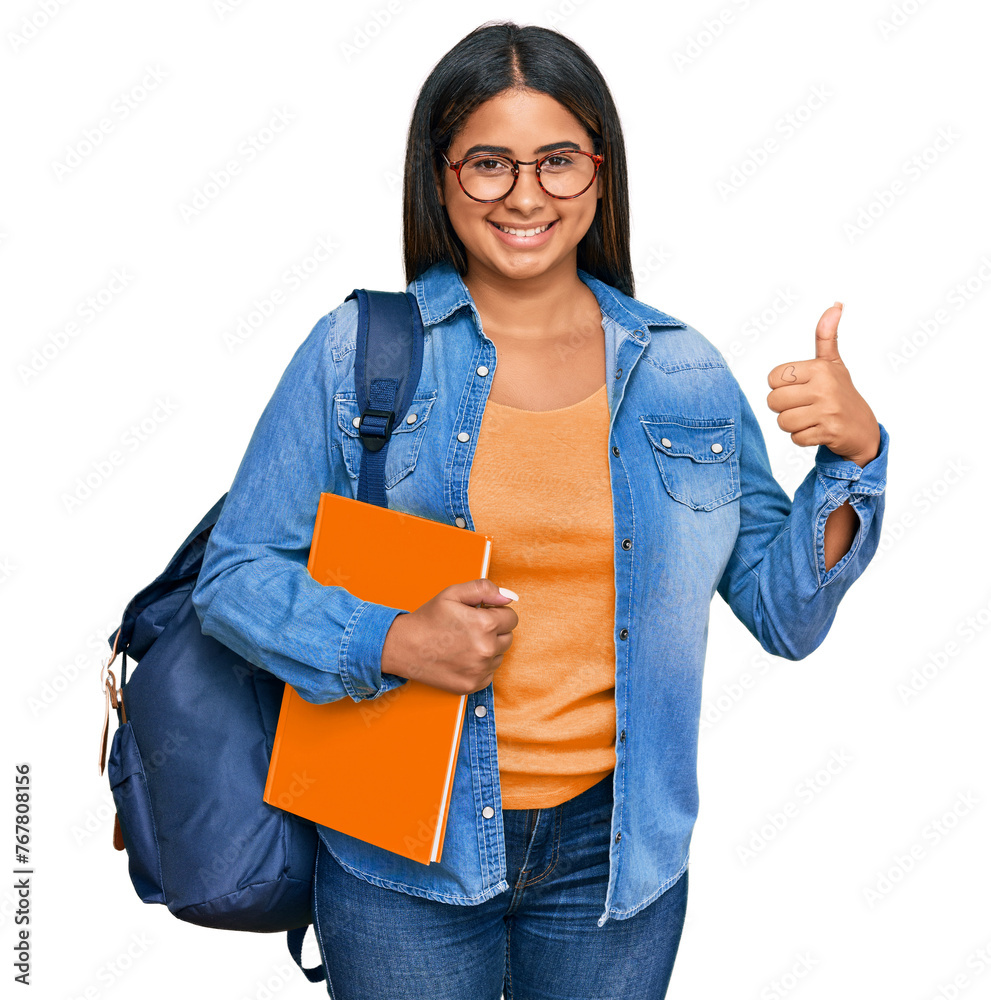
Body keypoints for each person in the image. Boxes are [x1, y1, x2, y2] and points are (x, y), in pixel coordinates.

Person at [191, 20, 888, 1000]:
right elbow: (236, 580)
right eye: (489, 164)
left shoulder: (681, 372)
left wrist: (850, 460)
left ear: (599, 175)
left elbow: (785, 614)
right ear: (440, 178)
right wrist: (391, 639)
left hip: (616, 860)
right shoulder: (358, 352)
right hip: (403, 848)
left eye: (557, 161)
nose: (525, 195)